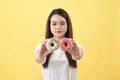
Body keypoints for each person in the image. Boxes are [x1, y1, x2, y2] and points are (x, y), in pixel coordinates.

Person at [34, 8, 84, 80]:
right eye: (54, 24)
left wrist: (76, 54)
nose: (58, 27)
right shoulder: (43, 46)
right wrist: (41, 56)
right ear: (49, 25)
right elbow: (38, 59)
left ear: (67, 25)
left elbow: (79, 55)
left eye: (62, 23)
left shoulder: (75, 45)